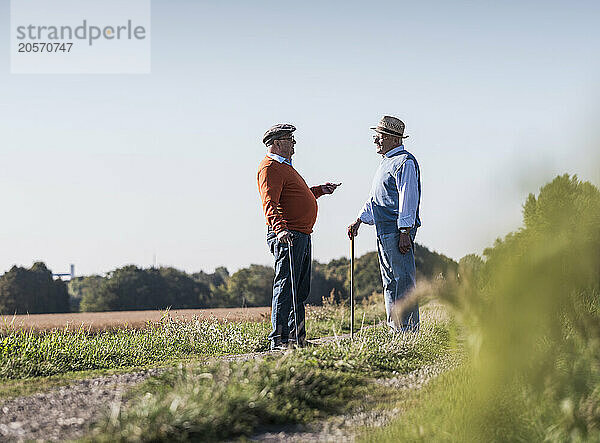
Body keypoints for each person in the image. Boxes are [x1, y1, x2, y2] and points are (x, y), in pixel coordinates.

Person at [257, 123, 340, 350]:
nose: (294, 143)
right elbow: (270, 202)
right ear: (276, 143)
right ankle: (280, 339)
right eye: (290, 139)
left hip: (300, 234)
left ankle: (297, 338)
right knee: (285, 285)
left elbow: (297, 196)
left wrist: (320, 190)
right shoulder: (270, 167)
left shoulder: (286, 167)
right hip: (287, 234)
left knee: (299, 289)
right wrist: (280, 229)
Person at [347, 116, 422, 332]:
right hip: (383, 230)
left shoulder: (404, 162)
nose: (375, 141)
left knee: (403, 280)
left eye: (379, 137)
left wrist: (405, 230)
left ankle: (407, 330)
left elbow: (408, 197)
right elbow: (375, 198)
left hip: (397, 231)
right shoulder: (386, 163)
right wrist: (359, 220)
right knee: (390, 281)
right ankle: (395, 329)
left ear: (393, 139)